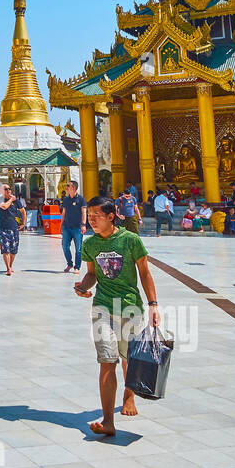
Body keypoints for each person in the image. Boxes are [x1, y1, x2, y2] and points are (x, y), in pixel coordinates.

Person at [74, 196, 159, 436]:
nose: (91, 221)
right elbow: (92, 274)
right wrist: (83, 285)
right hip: (102, 307)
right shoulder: (89, 244)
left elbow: (145, 273)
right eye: (89, 217)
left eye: (96, 216)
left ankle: (129, 396)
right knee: (107, 360)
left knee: (128, 359)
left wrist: (153, 305)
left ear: (111, 217)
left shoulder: (130, 240)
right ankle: (109, 421)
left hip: (131, 307)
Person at [0, 184, 22, 275]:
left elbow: (23, 211)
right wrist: (11, 199)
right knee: (5, 249)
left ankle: (10, 265)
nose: (8, 190)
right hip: (3, 228)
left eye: (9, 189)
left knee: (13, 250)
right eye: (6, 189)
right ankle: (8, 268)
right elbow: (5, 206)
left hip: (14, 228)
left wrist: (23, 223)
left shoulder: (16, 201)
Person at [60, 180, 84, 272]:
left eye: (68, 186)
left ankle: (77, 267)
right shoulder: (66, 199)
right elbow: (64, 213)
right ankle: (69, 264)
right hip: (66, 227)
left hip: (77, 227)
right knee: (65, 246)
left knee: (78, 248)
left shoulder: (81, 199)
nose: (67, 187)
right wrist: (61, 225)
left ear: (73, 188)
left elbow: (84, 212)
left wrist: (83, 224)